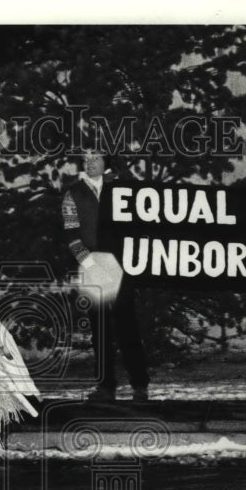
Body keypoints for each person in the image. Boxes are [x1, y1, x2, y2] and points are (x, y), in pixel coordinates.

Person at [60, 149, 149, 402]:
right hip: (91, 268)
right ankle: (106, 387)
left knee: (127, 326)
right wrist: (88, 263)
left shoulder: (123, 189)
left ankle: (140, 386)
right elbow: (71, 233)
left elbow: (140, 220)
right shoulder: (72, 193)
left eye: (96, 159)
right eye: (86, 160)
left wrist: (131, 262)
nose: (90, 163)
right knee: (100, 331)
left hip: (122, 267)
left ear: (106, 162)